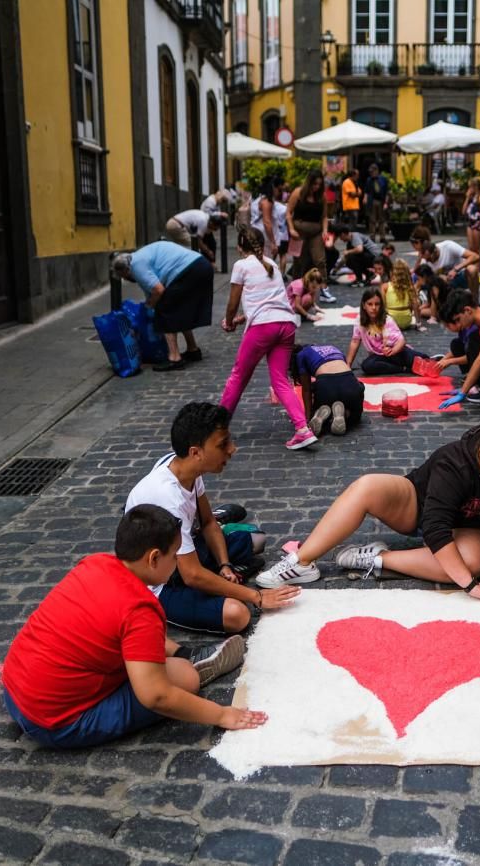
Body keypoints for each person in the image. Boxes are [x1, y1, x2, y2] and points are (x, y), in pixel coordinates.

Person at [0, 505, 267, 748]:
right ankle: (189, 663)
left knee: (157, 662)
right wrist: (221, 714)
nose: (176, 564)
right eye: (174, 556)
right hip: (55, 723)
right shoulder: (140, 608)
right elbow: (156, 697)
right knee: (184, 677)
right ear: (153, 559)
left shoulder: (93, 564)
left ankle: (179, 658)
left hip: (14, 693)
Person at [253, 424, 480, 598]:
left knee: (473, 564)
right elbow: (434, 526)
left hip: (465, 525)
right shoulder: (454, 461)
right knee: (367, 486)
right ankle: (301, 562)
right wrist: (471, 588)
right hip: (416, 504)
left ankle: (376, 559)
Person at [125, 402, 299, 635]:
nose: (232, 449)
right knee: (238, 615)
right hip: (161, 582)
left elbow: (207, 523)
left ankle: (220, 578)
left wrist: (224, 564)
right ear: (196, 452)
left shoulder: (188, 469)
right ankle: (206, 591)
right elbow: (192, 575)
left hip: (180, 557)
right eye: (223, 444)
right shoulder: (167, 496)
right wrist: (256, 597)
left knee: (256, 540)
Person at [221, 226, 319, 450]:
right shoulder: (271, 264)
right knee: (280, 380)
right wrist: (241, 319)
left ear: (239, 247)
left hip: (264, 328)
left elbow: (233, 301)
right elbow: (270, 301)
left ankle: (217, 428)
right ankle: (302, 429)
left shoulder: (241, 265)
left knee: (239, 376)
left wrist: (228, 321)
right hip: (285, 324)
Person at [113, 242, 212, 372]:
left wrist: (150, 306)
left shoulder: (136, 266)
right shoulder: (138, 257)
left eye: (124, 277)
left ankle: (174, 358)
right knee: (179, 309)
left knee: (165, 310)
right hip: (200, 265)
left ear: (126, 270)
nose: (126, 280)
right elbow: (151, 290)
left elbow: (158, 291)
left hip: (189, 271)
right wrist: (149, 304)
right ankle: (193, 349)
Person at [347, 287, 439, 377]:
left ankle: (430, 360)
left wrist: (393, 351)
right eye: (370, 304)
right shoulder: (359, 322)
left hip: (397, 353)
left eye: (377, 304)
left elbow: (401, 341)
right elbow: (355, 342)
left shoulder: (387, 320)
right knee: (367, 366)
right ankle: (403, 369)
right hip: (379, 356)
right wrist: (348, 365)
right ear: (364, 305)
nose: (374, 307)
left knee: (417, 359)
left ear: (381, 305)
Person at [291, 343, 365, 437]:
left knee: (317, 390)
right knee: (356, 415)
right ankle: (346, 414)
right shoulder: (333, 347)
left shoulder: (301, 355)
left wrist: (308, 416)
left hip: (326, 388)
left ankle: (321, 415)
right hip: (349, 385)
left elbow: (306, 390)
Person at [288, 170, 330, 280]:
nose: (316, 187)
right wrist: (291, 229)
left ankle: (323, 286)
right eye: (315, 184)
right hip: (299, 231)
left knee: (320, 260)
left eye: (319, 184)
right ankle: (296, 285)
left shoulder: (322, 196)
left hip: (316, 231)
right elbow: (288, 212)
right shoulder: (298, 192)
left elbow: (325, 216)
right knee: (299, 260)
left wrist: (325, 230)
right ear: (309, 182)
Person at [250, 175, 286, 259]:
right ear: (273, 188)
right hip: (265, 239)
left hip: (260, 236)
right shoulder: (267, 202)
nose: (280, 192)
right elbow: (267, 222)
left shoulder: (259, 199)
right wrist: (273, 242)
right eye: (279, 189)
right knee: (266, 263)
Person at [384, 259, 420, 330]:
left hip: (390, 322)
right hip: (406, 322)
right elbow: (415, 305)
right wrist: (418, 323)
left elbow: (382, 305)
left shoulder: (385, 286)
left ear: (392, 272)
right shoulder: (410, 287)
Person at [462, 178, 480, 271]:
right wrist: (467, 197)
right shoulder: (470, 198)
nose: (470, 188)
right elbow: (463, 211)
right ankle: (473, 266)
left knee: (477, 248)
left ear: (476, 187)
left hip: (477, 222)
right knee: (471, 247)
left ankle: (479, 268)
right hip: (470, 222)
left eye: (472, 186)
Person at [364, 163, 390, 243]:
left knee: (382, 220)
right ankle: (372, 236)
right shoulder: (369, 180)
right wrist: (365, 198)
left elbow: (387, 192)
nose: (371, 173)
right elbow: (366, 191)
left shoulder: (383, 179)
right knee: (372, 220)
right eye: (370, 172)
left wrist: (386, 202)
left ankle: (382, 237)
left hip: (381, 201)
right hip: (372, 201)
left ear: (376, 171)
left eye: (372, 172)